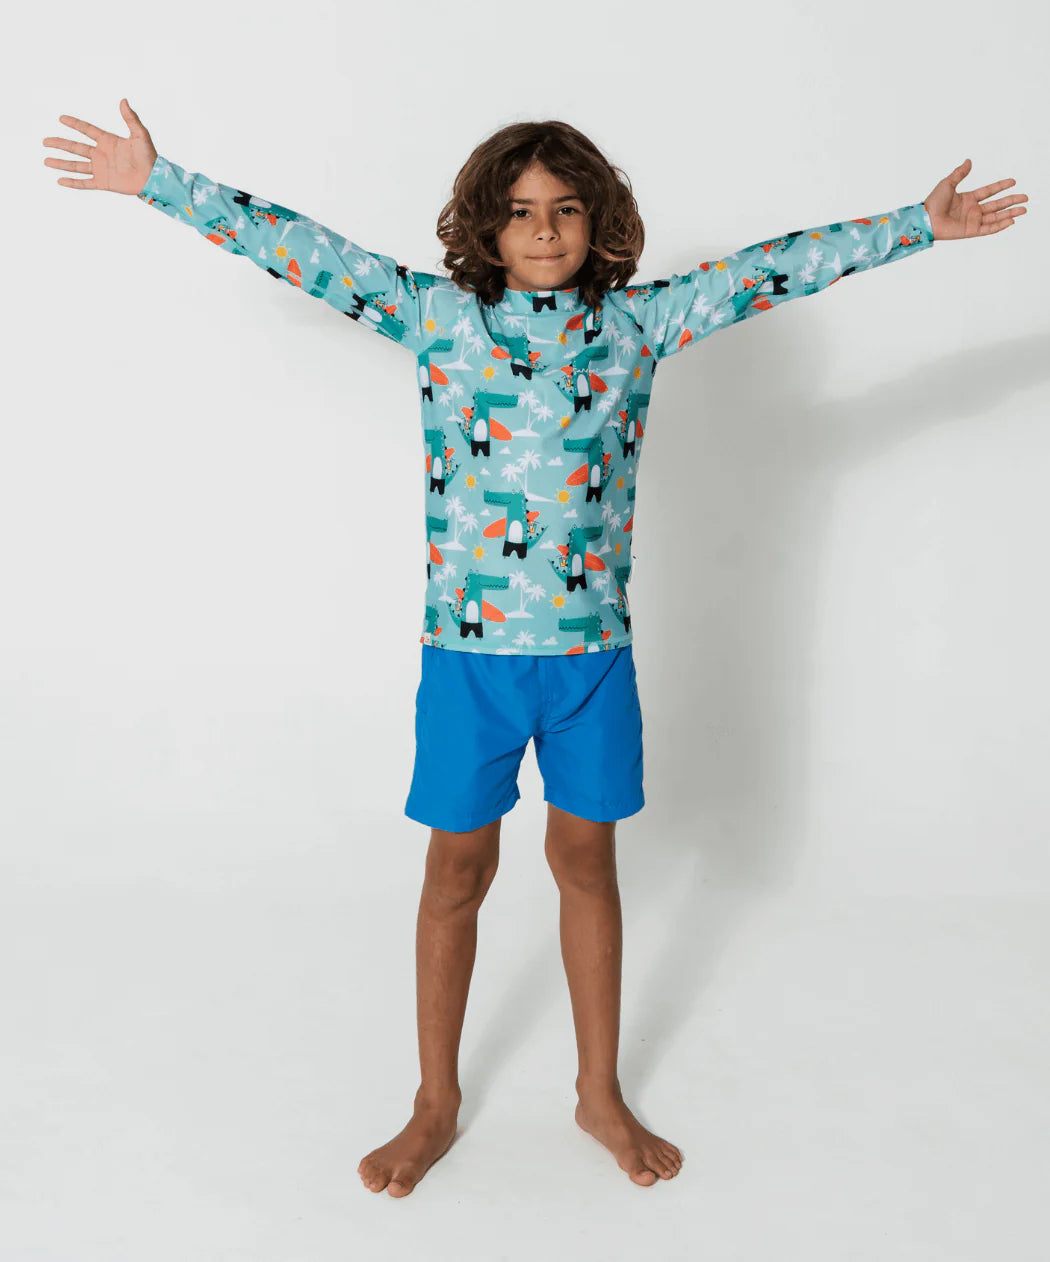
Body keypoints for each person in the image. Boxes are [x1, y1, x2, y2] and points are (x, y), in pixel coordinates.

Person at [43, 101, 1027, 1196]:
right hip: (467, 661)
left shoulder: (639, 325)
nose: (545, 228)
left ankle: (597, 1091)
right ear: (486, 227)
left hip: (591, 659)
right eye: (519, 212)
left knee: (586, 864)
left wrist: (915, 226)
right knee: (455, 873)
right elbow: (308, 253)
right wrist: (160, 182)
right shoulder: (439, 319)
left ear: (599, 219)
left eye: (564, 208)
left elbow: (772, 272)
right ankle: (435, 1099)